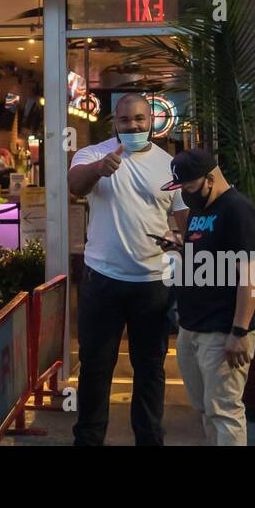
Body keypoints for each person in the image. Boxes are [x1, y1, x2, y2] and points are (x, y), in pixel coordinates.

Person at [67, 93, 188, 445]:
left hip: (152, 283)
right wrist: (98, 169)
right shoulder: (92, 154)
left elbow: (184, 222)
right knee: (95, 367)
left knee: (150, 369)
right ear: (115, 123)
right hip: (102, 279)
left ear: (151, 121)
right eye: (125, 121)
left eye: (139, 120)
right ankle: (88, 440)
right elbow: (75, 186)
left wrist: (177, 238)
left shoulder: (170, 166)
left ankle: (149, 439)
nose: (132, 126)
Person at [161, 148, 255, 447]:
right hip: (192, 325)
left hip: (222, 329)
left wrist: (239, 331)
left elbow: (251, 273)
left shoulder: (236, 209)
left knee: (225, 410)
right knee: (206, 409)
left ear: (210, 178)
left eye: (188, 187)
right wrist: (178, 245)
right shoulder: (200, 208)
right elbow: (206, 254)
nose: (184, 194)